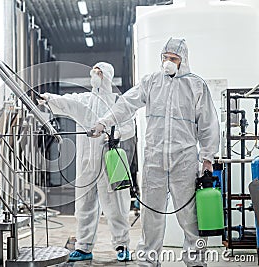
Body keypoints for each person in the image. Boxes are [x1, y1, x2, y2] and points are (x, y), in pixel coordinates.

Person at [91, 38, 220, 267]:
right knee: (151, 216)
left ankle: (196, 261)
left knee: (190, 216)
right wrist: (104, 122)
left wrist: (208, 158)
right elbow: (126, 104)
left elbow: (208, 124)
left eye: (174, 59)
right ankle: (148, 261)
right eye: (165, 58)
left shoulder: (196, 85)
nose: (168, 63)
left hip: (184, 160)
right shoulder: (151, 82)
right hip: (154, 161)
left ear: (183, 61)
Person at [38, 62, 134, 262]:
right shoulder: (85, 99)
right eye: (93, 72)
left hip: (110, 160)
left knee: (116, 206)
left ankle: (122, 246)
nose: (95, 76)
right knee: (84, 205)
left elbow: (130, 127)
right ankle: (83, 247)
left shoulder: (118, 102)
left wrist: (115, 134)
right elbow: (67, 102)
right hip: (86, 162)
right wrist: (48, 99)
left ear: (107, 76)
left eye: (98, 73)